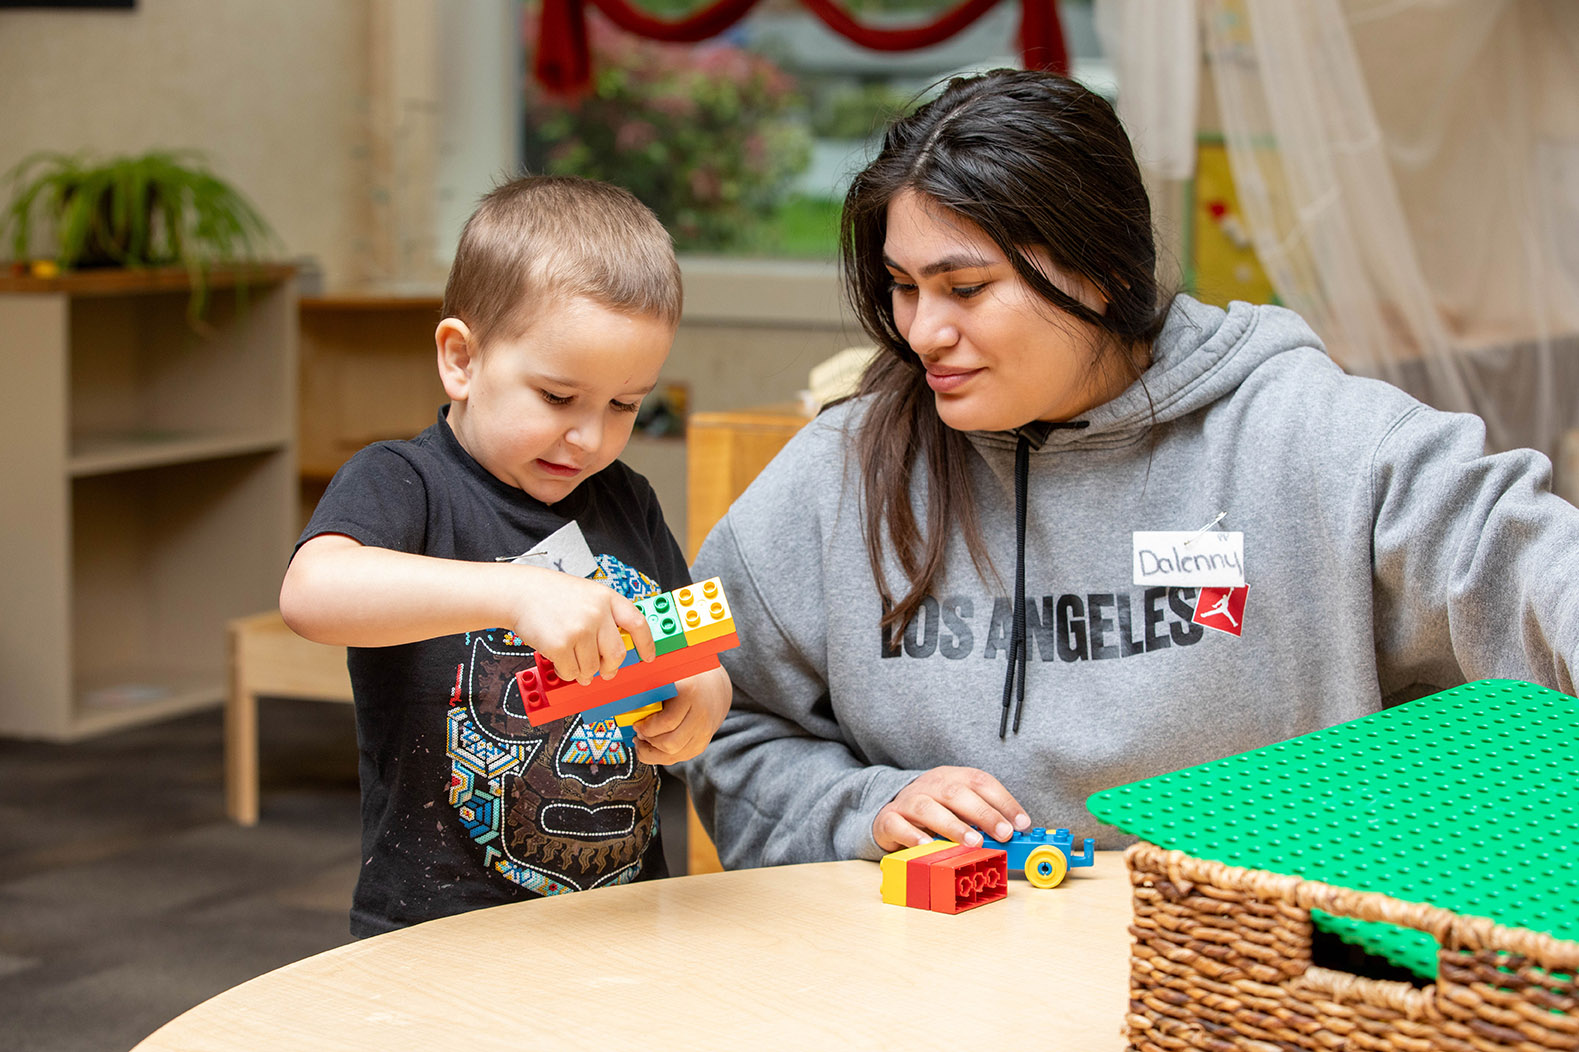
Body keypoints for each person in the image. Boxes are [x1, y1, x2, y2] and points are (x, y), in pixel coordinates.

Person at [678, 69, 1579, 870]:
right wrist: (863, 810)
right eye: (902, 286)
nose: (921, 333)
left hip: (1237, 974)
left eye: (964, 289)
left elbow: (1527, 567)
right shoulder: (844, 468)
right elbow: (720, 716)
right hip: (932, 970)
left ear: (1103, 271)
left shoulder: (1311, 434)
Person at [280, 175, 730, 937]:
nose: (589, 436)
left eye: (624, 405)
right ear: (461, 359)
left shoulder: (626, 497)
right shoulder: (403, 482)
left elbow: (688, 646)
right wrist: (513, 594)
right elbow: (312, 592)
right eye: (557, 398)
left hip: (621, 917)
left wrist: (704, 694)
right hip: (440, 929)